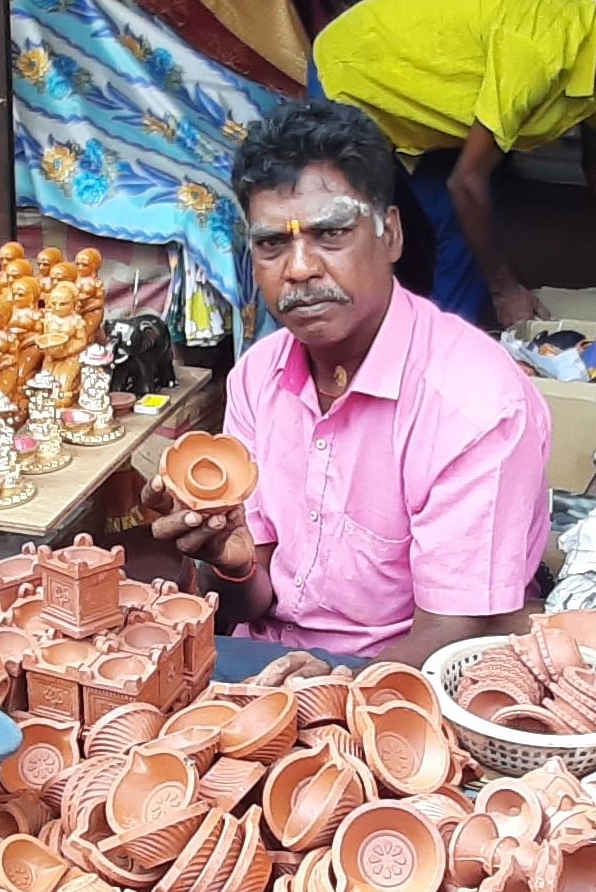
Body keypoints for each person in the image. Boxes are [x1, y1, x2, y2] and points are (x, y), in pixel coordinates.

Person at [149, 99, 552, 677]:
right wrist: (226, 561)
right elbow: (247, 600)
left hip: (403, 678)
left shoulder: (476, 403)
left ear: (389, 234)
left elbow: (458, 631)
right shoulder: (257, 375)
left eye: (331, 233)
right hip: (264, 660)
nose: (300, 269)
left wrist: (338, 684)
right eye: (272, 245)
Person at [309, 0, 596, 325]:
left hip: (433, 106)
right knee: (359, 238)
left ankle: (445, 358)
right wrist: (505, 290)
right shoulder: (542, 50)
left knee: (469, 223)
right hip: (359, 76)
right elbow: (466, 181)